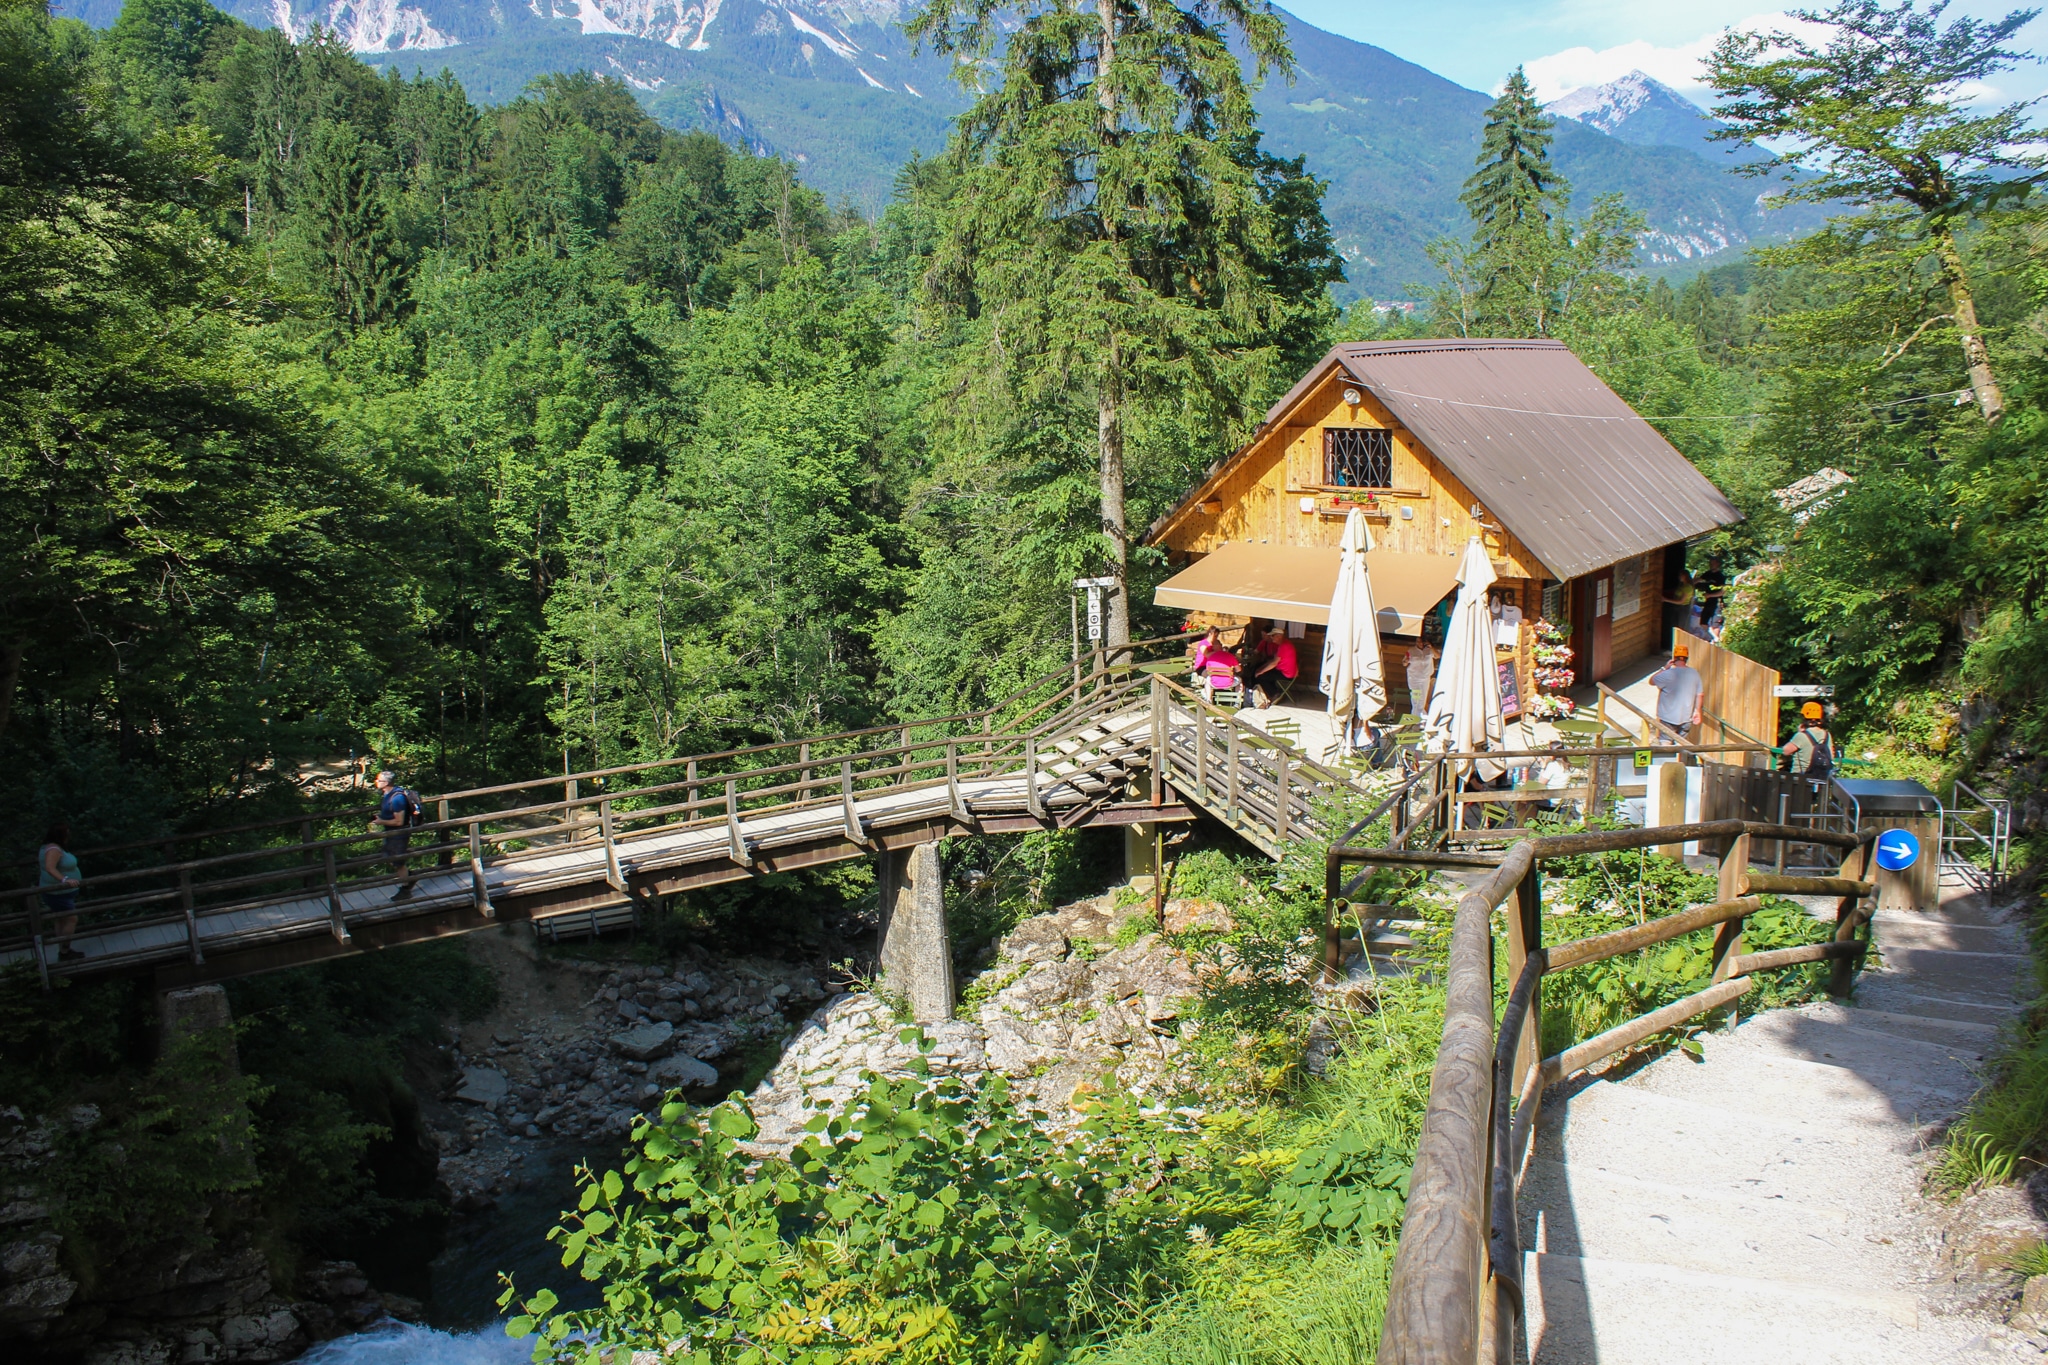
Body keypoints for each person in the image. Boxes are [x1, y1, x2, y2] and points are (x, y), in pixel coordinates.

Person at [369, 770, 420, 901]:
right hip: (391, 832)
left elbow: (399, 821)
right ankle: (409, 877)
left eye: (378, 780)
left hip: (398, 834)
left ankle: (406, 888)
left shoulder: (397, 798)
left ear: (386, 783)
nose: (376, 782)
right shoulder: (388, 794)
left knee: (398, 862)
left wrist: (381, 821)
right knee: (390, 858)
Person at [38, 823, 82, 961]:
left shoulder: (52, 847)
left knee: (61, 919)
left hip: (59, 893)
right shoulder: (53, 849)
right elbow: (50, 868)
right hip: (57, 893)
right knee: (71, 918)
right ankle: (65, 951)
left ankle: (62, 949)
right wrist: (65, 880)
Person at [1647, 640, 1704, 743]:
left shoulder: (1668, 674)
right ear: (1687, 658)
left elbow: (1651, 681)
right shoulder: (1694, 674)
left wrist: (1665, 668)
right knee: (1682, 744)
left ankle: (1666, 759)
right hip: (1686, 718)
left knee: (1665, 742)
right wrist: (1698, 711)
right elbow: (1700, 694)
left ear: (1674, 658)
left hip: (1667, 718)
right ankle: (1680, 759)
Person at [1244, 624, 1299, 709]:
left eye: (1273, 636)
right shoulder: (1283, 644)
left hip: (1286, 674)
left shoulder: (1284, 646)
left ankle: (1273, 693)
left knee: (1260, 676)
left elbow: (1274, 663)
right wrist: (1261, 669)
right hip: (1284, 671)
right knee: (1258, 671)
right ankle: (1258, 694)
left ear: (1279, 636)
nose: (1271, 638)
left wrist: (1260, 671)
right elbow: (1273, 661)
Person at [1782, 701, 1837, 778]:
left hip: (1800, 778)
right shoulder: (1827, 735)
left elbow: (1786, 751)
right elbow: (1831, 756)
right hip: (1821, 777)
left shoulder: (1801, 735)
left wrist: (1798, 732)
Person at [1404, 638, 1437, 714]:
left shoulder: (1429, 650)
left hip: (1425, 677)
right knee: (1416, 697)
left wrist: (1431, 647)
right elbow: (1404, 663)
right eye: (1418, 642)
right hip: (1414, 678)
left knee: (1423, 697)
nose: (1420, 643)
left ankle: (1420, 715)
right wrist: (1405, 661)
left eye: (1421, 641)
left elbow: (1438, 656)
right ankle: (1416, 715)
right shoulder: (1411, 651)